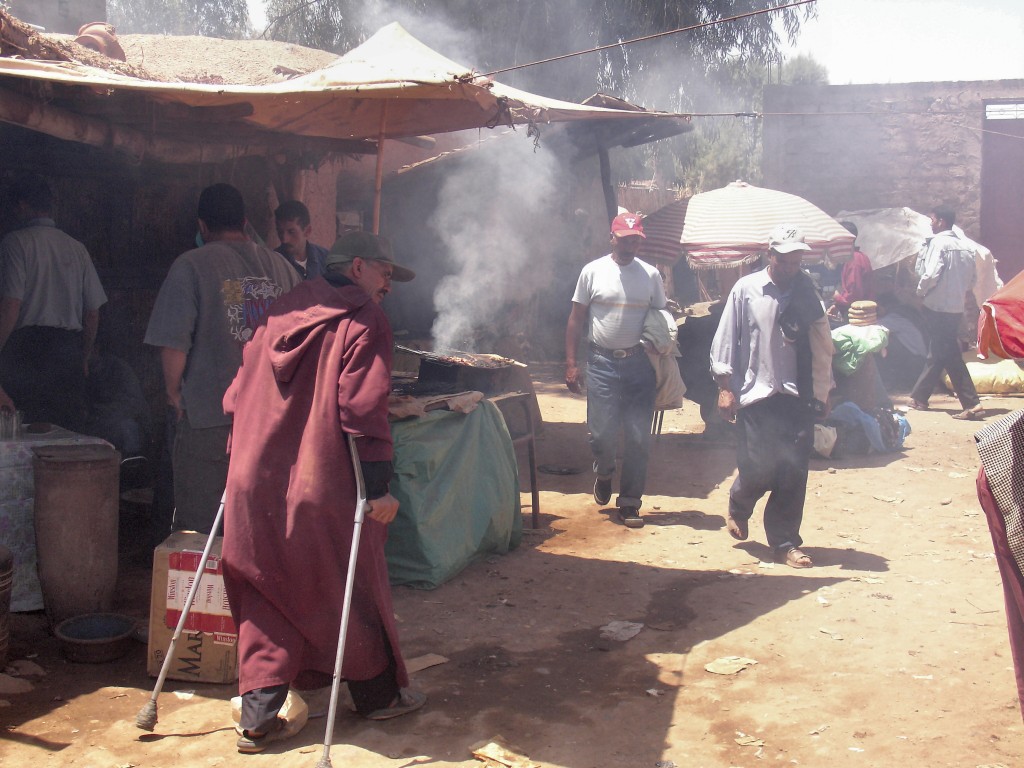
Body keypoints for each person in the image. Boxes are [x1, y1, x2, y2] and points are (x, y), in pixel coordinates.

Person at [221, 231, 423, 754]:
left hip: (251, 481)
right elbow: (360, 411)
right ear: (357, 268)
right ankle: (378, 697)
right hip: (322, 484)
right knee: (348, 584)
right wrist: (379, 489)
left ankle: (258, 719)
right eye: (384, 273)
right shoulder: (363, 318)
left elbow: (235, 395)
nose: (388, 286)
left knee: (267, 587)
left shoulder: (283, 309)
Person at [144, 183, 300, 534]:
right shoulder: (283, 269)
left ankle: (207, 591)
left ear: (202, 227)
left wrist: (174, 395)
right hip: (271, 421)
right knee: (260, 525)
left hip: (209, 420)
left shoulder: (190, 265)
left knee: (202, 528)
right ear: (245, 222)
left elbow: (173, 346)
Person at [710, 224, 834, 568]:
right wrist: (725, 386)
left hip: (796, 396)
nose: (792, 268)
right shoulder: (746, 289)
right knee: (757, 466)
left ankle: (784, 542)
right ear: (771, 256)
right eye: (785, 261)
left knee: (793, 470)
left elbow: (823, 347)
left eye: (797, 261)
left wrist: (824, 391)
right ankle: (739, 501)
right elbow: (726, 338)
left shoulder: (808, 295)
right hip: (756, 392)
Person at [565, 211, 666, 529]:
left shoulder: (651, 275)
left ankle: (630, 503)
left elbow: (661, 315)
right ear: (613, 238)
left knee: (638, 437)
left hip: (639, 364)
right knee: (601, 434)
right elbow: (576, 319)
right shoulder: (592, 271)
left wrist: (660, 342)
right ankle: (604, 470)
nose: (631, 244)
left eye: (636, 239)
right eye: (625, 238)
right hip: (601, 364)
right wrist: (570, 364)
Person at [0, 174, 107, 432]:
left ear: (23, 206)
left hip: (27, 350)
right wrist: (83, 356)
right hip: (67, 352)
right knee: (66, 432)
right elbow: (92, 312)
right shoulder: (77, 248)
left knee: (26, 430)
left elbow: (11, 305)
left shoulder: (15, 243)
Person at [908, 205, 984, 420]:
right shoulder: (966, 247)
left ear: (941, 221)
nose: (931, 223)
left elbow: (931, 274)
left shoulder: (938, 244)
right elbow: (972, 281)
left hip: (936, 306)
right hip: (955, 308)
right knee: (939, 350)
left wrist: (920, 293)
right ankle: (919, 397)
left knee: (948, 353)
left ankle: (972, 403)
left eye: (932, 219)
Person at [827, 221, 874, 321]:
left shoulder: (854, 260)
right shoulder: (858, 256)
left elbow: (854, 296)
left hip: (859, 315)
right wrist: (837, 306)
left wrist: (836, 296)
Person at [274, 200, 328, 280]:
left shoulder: (325, 259)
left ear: (307, 231)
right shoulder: (273, 262)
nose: (284, 239)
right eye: (280, 232)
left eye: (291, 232)